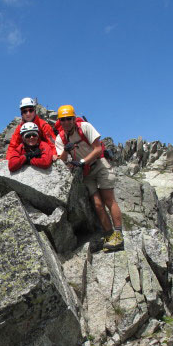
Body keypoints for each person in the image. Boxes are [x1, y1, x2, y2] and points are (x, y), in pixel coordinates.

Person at [55, 105, 124, 251]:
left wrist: (81, 162)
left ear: (74, 119)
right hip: (86, 173)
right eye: (63, 120)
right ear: (59, 122)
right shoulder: (60, 138)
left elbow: (98, 149)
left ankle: (118, 236)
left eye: (69, 119)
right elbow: (62, 161)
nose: (66, 122)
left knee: (108, 199)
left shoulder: (85, 127)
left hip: (99, 165)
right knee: (98, 205)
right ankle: (109, 235)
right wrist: (66, 152)